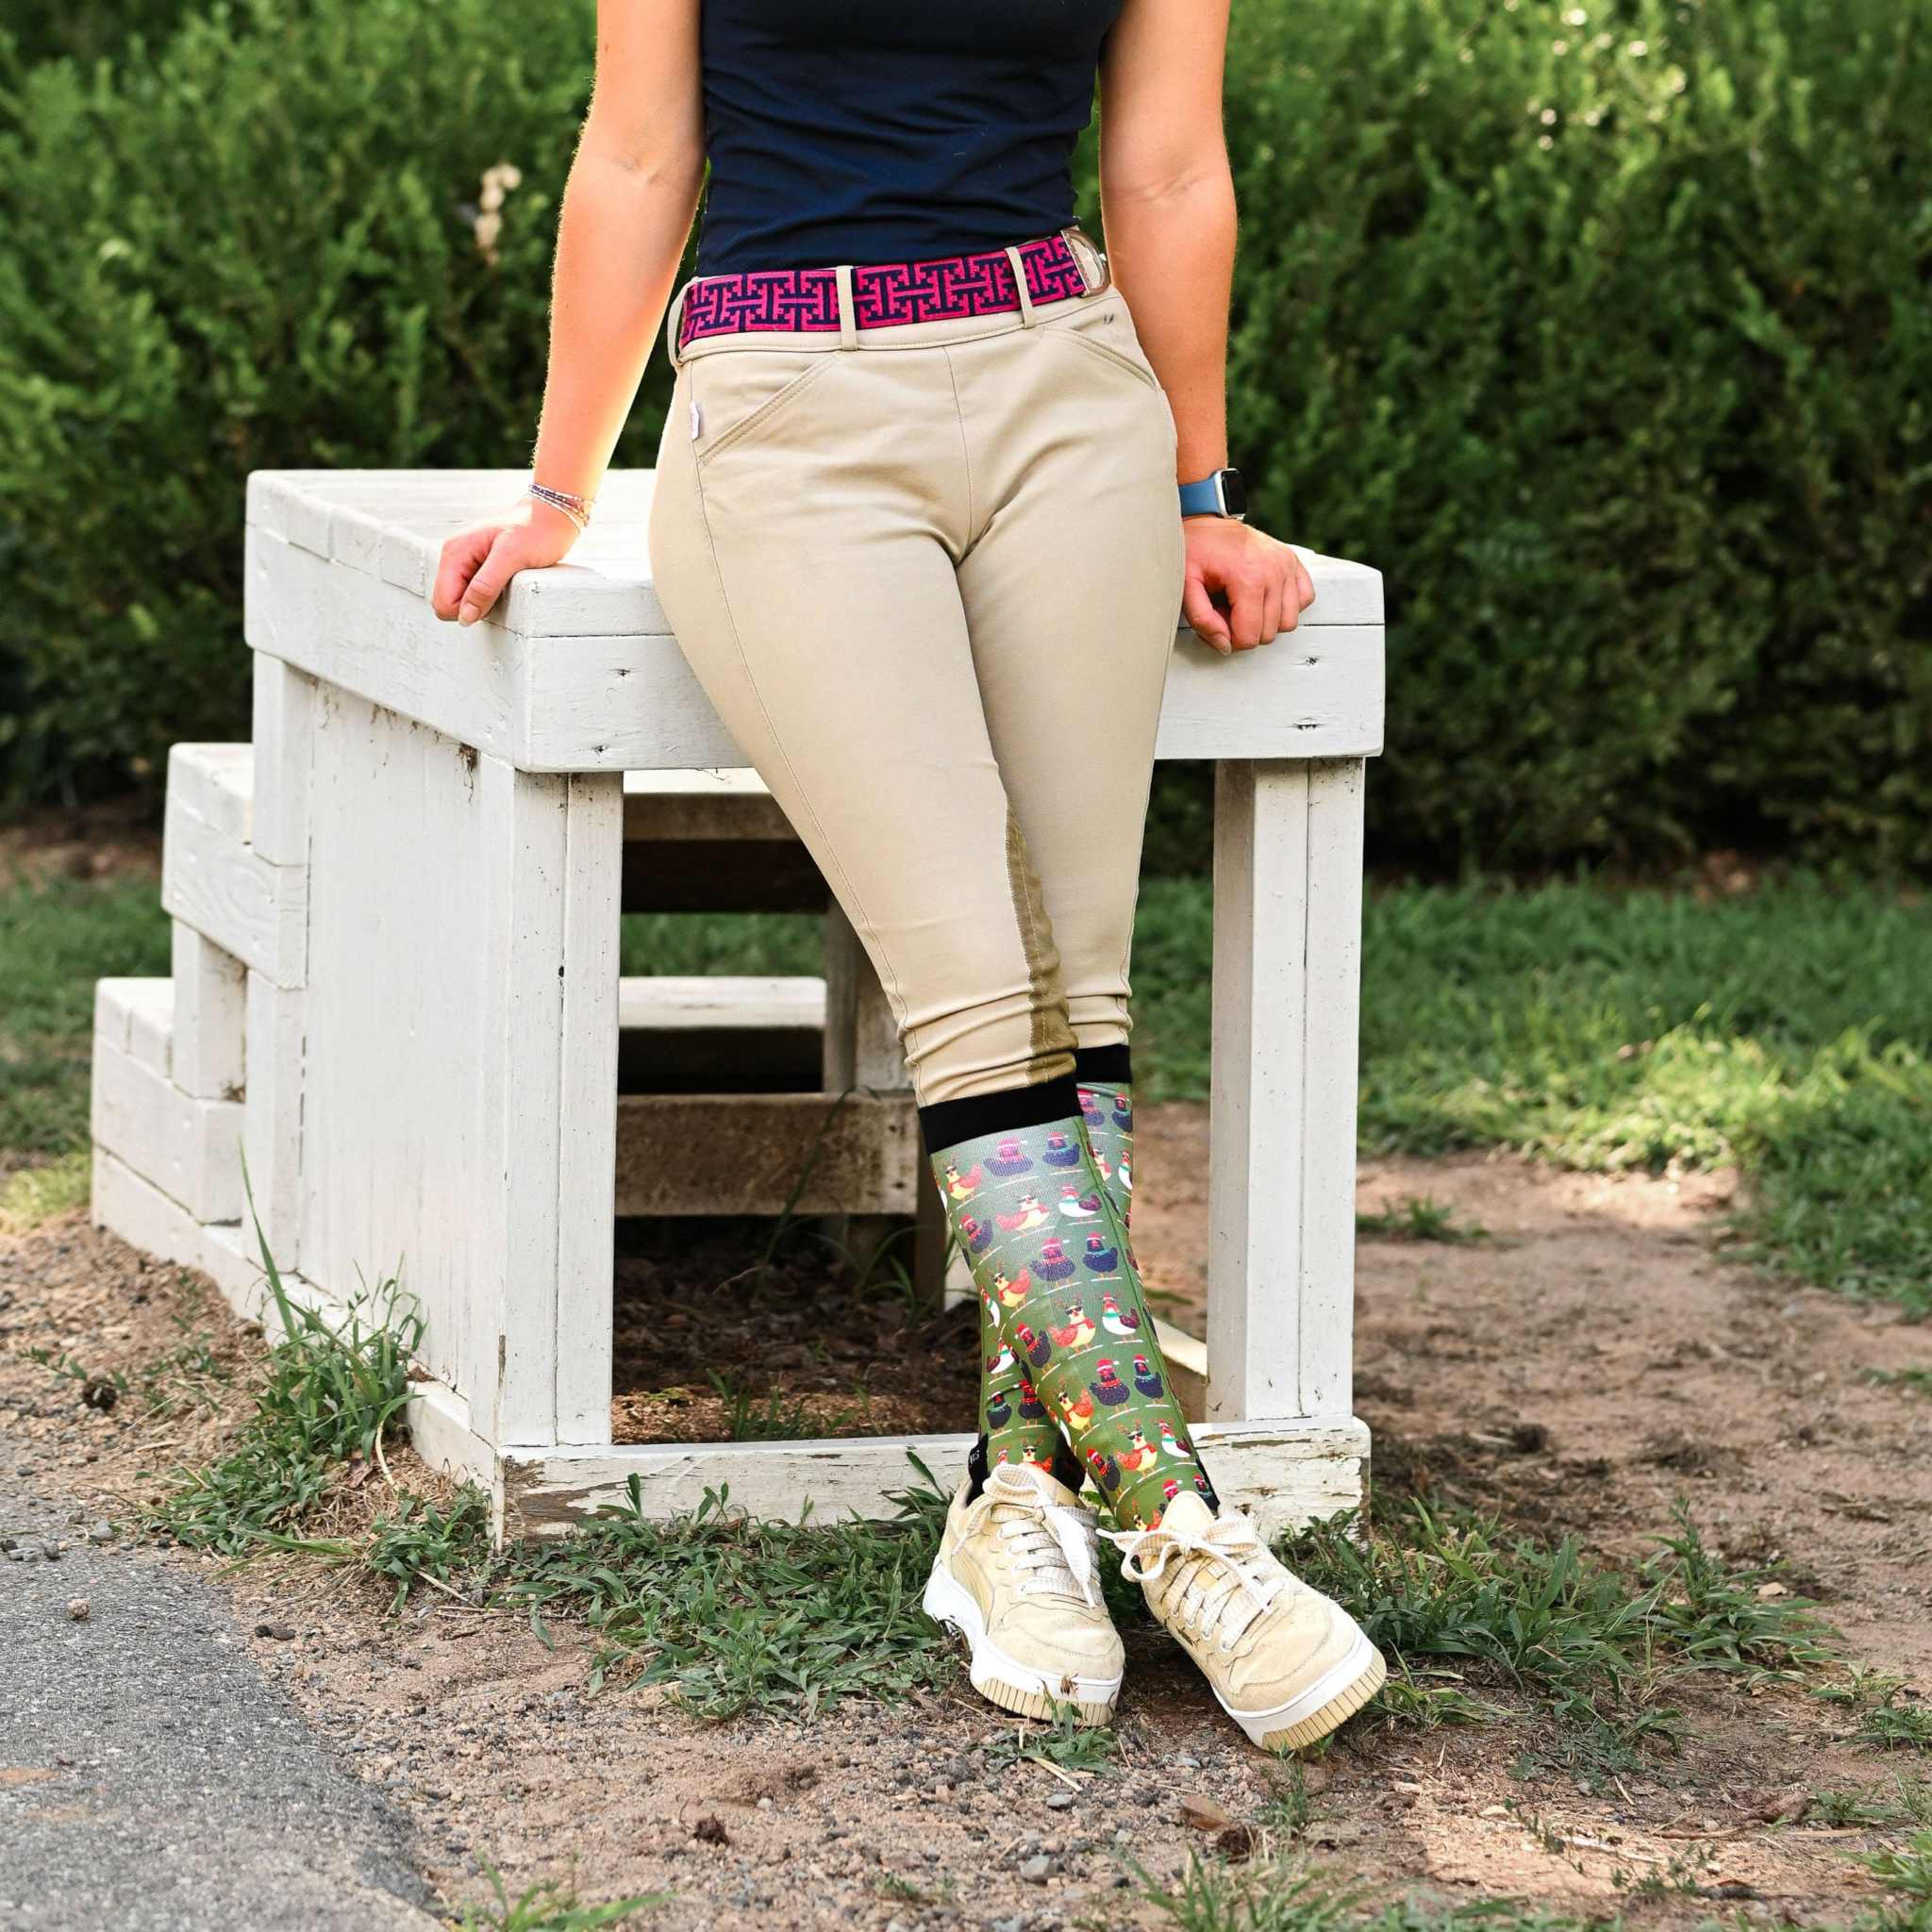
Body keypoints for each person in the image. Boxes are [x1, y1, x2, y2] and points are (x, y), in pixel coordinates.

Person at [431, 0, 1385, 1752]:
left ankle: (1019, 1510)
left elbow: (1168, 162)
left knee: (1074, 994)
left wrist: (1202, 486)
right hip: (790, 410)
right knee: (971, 988)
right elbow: (640, 147)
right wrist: (560, 491)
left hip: (1068, 393)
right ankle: (1179, 1525)